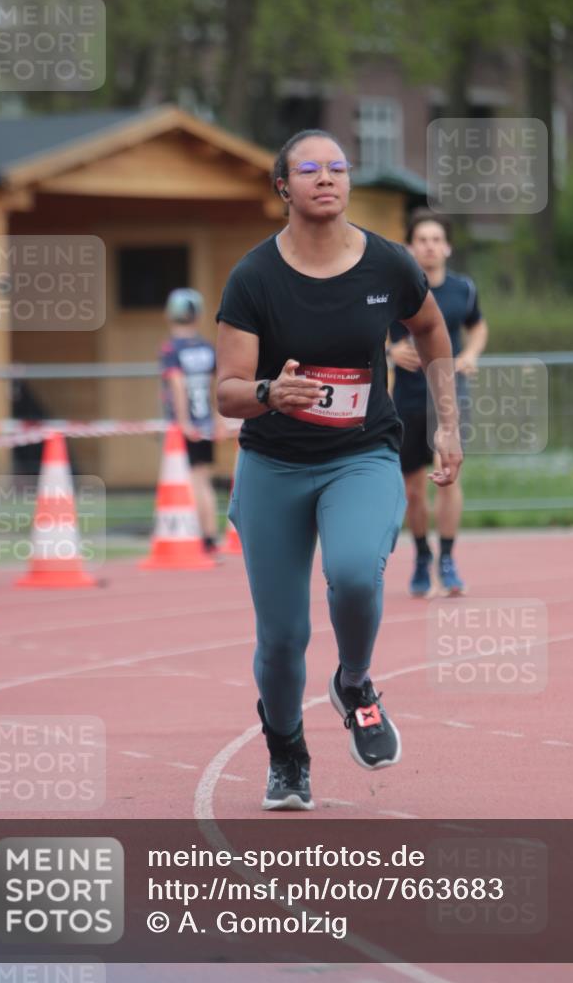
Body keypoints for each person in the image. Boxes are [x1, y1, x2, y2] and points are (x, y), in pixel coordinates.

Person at [215, 130, 462, 811]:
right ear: (282, 187)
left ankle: (354, 682)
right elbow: (227, 391)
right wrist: (269, 393)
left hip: (361, 455)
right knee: (282, 638)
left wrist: (446, 421)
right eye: (309, 169)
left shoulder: (388, 265)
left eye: (337, 168)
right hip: (273, 464)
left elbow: (433, 331)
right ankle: (287, 751)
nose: (326, 178)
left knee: (354, 571)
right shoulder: (254, 277)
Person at [389, 210, 487, 597]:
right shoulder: (398, 289)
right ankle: (421, 556)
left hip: (449, 397)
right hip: (408, 398)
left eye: (436, 239)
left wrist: (473, 353)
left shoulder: (463, 289)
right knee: (413, 488)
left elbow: (477, 325)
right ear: (411, 247)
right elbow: (368, 330)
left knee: (448, 477)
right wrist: (390, 349)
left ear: (446, 246)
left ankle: (447, 558)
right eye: (422, 239)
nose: (429, 246)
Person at [160, 288, 223, 558]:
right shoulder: (207, 347)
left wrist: (183, 421)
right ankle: (209, 537)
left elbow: (176, 383)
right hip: (206, 422)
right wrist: (218, 419)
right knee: (203, 480)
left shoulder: (170, 349)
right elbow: (217, 385)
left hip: (185, 425)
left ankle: (198, 537)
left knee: (188, 481)